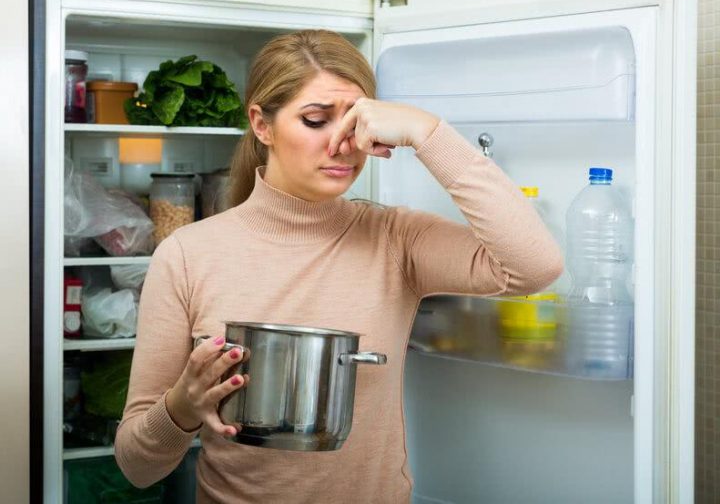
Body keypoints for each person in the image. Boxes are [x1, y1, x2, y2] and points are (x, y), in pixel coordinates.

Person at [115, 29, 563, 503]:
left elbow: (534, 266)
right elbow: (137, 467)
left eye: (354, 123)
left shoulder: (396, 239)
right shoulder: (187, 255)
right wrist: (183, 405)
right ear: (262, 125)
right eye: (315, 120)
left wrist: (429, 132)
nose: (342, 145)